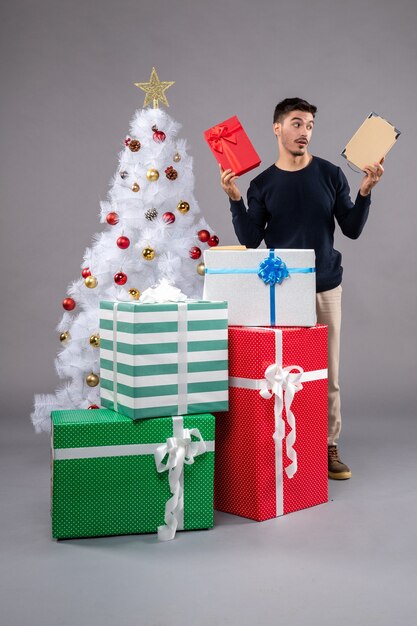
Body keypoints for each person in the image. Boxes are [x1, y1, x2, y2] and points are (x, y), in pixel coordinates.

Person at [220, 97, 384, 480]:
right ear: (277, 128)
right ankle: (279, 445)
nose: (304, 132)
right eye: (297, 124)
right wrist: (235, 200)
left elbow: (353, 229)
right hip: (280, 290)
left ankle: (327, 446)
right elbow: (249, 242)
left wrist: (365, 191)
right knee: (278, 373)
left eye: (309, 125)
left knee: (328, 373)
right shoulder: (262, 184)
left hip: (325, 285)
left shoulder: (329, 174)